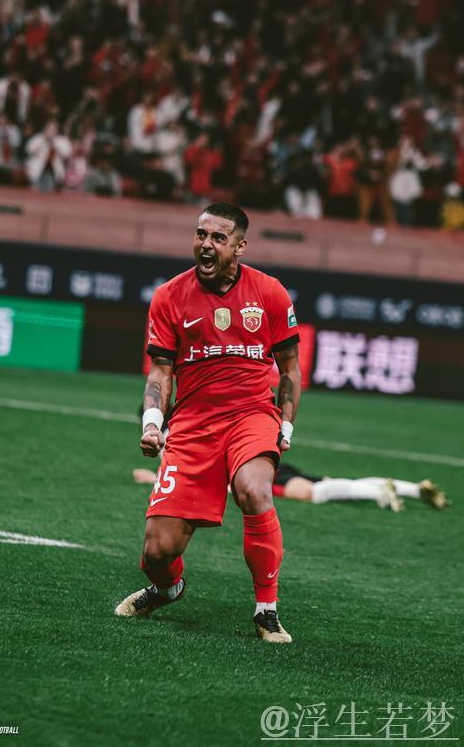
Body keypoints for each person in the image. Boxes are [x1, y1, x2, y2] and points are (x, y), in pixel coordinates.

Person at [115, 201, 301, 643]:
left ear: (240, 246)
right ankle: (167, 589)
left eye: (219, 237)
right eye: (201, 234)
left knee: (254, 490)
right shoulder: (169, 296)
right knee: (157, 552)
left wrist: (286, 423)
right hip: (193, 425)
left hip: (251, 415)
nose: (206, 244)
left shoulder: (270, 293)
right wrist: (153, 421)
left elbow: (290, 368)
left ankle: (267, 611)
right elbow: (161, 371)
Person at [133, 462, 450, 512]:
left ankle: (380, 493)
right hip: (266, 463)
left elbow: (193, 476)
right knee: (326, 484)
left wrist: (155, 478)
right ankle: (413, 489)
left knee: (312, 493)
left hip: (255, 476)